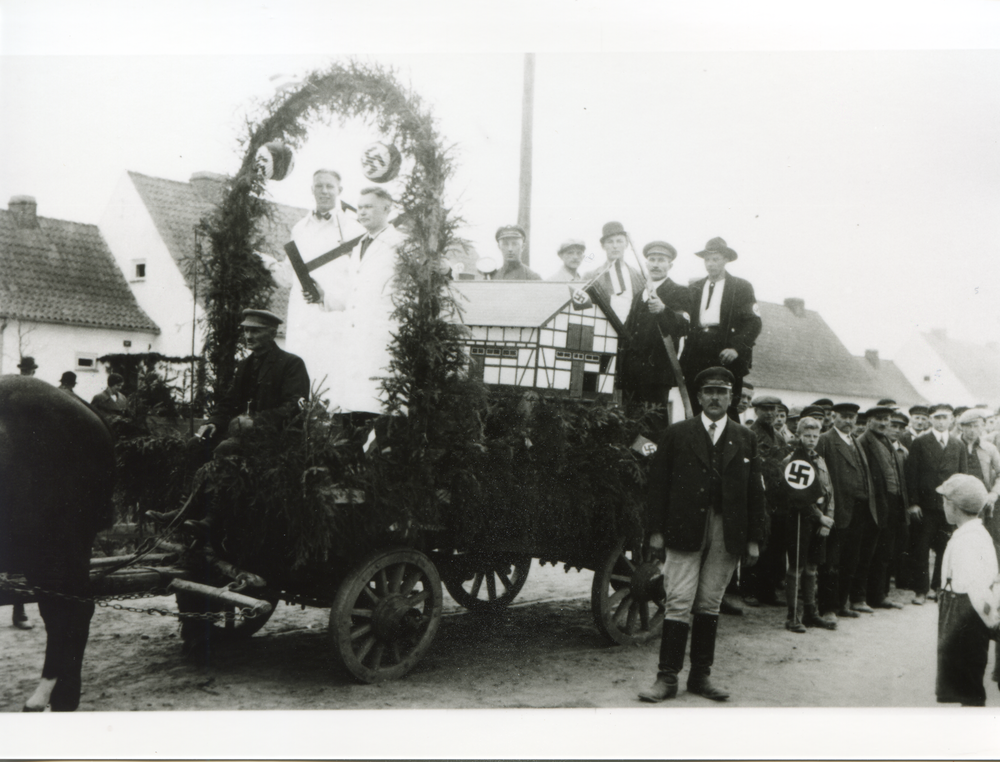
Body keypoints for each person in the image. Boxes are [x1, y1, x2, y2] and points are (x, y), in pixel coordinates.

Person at [638, 366, 766, 703]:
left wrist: (754, 538)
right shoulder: (677, 434)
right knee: (679, 600)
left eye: (721, 392)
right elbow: (658, 487)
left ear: (731, 398)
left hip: (728, 530)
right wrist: (655, 531)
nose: (714, 397)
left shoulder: (745, 437)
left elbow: (755, 493)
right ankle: (666, 679)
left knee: (710, 602)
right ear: (698, 397)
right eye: (708, 391)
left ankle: (700, 677)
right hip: (683, 528)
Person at [285, 168, 365, 398]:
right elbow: (287, 273)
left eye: (330, 186)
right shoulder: (300, 228)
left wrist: (330, 298)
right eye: (319, 186)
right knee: (299, 382)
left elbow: (359, 281)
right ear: (312, 190)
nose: (324, 191)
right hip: (301, 320)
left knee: (331, 385)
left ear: (340, 190)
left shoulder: (354, 229)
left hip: (333, 320)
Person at [330, 187, 407, 415]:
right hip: (357, 336)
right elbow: (355, 292)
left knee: (383, 406)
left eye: (369, 207)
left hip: (384, 336)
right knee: (355, 405)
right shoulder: (359, 246)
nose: (362, 212)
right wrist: (326, 298)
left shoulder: (401, 243)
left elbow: (429, 270)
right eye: (360, 207)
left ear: (386, 209)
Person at [933, 474, 1000, 706]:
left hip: (967, 620)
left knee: (970, 685)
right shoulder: (969, 534)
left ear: (954, 507)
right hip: (960, 616)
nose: (943, 506)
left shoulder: (969, 540)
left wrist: (992, 622)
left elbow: (978, 589)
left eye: (944, 501)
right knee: (963, 684)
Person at [679, 237, 761, 420]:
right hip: (696, 353)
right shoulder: (695, 287)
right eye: (707, 259)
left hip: (724, 353)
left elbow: (753, 323)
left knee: (726, 407)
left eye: (715, 259)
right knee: (696, 405)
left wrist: (736, 348)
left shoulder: (740, 287)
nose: (710, 264)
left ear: (726, 260)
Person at [815, 401, 877, 623]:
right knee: (831, 561)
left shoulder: (854, 441)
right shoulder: (825, 440)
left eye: (852, 417)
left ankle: (842, 604)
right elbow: (818, 474)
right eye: (844, 416)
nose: (849, 420)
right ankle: (828, 607)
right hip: (837, 509)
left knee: (851, 559)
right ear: (833, 417)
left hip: (859, 510)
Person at [617, 241, 691, 418]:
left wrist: (664, 310)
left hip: (656, 373)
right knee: (630, 422)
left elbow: (685, 325)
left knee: (653, 424)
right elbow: (628, 332)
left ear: (670, 265)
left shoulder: (680, 291)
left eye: (661, 260)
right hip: (631, 373)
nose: (656, 264)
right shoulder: (638, 294)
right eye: (652, 259)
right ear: (646, 264)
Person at [905, 403, 968, 605]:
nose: (941, 421)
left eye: (945, 417)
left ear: (952, 420)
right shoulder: (921, 442)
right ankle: (921, 590)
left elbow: (963, 476)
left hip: (949, 506)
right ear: (931, 419)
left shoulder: (958, 445)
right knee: (921, 548)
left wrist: (959, 504)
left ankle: (936, 588)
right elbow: (911, 475)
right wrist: (913, 503)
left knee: (944, 548)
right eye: (937, 417)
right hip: (926, 505)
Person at [779, 416, 837, 632]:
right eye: (807, 436)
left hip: (820, 520)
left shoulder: (820, 459)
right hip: (800, 520)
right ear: (799, 436)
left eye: (815, 436)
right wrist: (819, 516)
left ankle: (811, 613)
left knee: (813, 565)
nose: (811, 440)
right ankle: (793, 616)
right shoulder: (793, 460)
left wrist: (827, 519)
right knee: (797, 565)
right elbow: (799, 496)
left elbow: (829, 489)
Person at [856, 406, 908, 611]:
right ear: (869, 421)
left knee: (884, 552)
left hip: (892, 503)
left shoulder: (888, 442)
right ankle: (858, 597)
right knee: (866, 552)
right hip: (874, 503)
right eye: (879, 419)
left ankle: (878, 595)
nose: (884, 423)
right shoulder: (862, 442)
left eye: (887, 419)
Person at [742, 395, 791, 607]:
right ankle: (749, 591)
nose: (770, 413)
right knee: (757, 544)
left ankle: (767, 592)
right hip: (760, 496)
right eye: (765, 409)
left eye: (773, 409)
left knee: (774, 549)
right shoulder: (750, 434)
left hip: (777, 498)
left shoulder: (780, 437)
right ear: (756, 411)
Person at [573, 221, 646, 326]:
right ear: (603, 246)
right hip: (604, 331)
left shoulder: (640, 276)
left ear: (626, 244)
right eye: (610, 242)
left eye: (619, 241)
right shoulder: (591, 276)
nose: (615, 246)